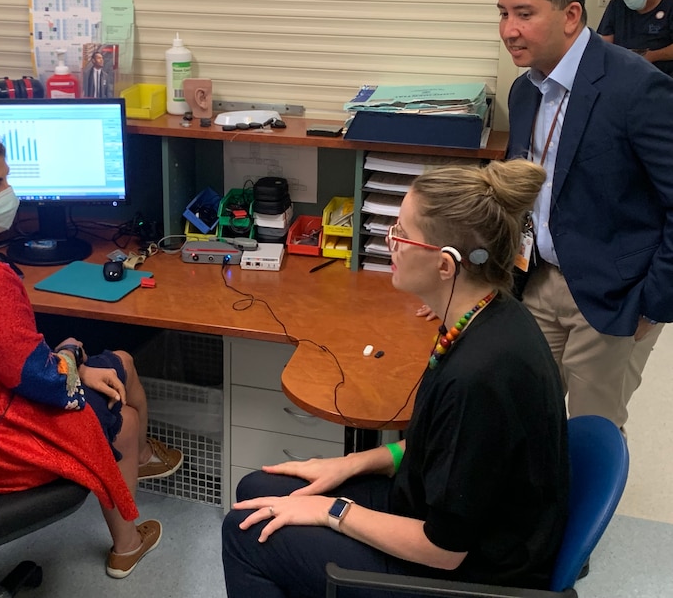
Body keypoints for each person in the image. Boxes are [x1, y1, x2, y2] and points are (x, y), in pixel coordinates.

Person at [222, 159, 569, 598]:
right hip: (433, 507)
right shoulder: (487, 313)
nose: (391, 244)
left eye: (401, 235)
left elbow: (445, 549)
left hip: (467, 573)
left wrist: (333, 510)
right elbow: (444, 445)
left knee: (246, 532)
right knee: (256, 490)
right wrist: (350, 463)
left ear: (446, 266)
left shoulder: (481, 377)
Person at [0, 118, 182, 579]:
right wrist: (72, 354)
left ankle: (141, 461)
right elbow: (40, 378)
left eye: (6, 178)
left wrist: (70, 362)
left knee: (122, 362)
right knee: (120, 413)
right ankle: (127, 542)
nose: (10, 193)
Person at [498, 0, 672, 430]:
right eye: (504, 13)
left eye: (525, 14)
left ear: (571, 15)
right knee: (530, 413)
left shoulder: (637, 88)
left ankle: (587, 507)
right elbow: (521, 190)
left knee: (592, 430)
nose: (509, 29)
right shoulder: (525, 89)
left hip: (613, 291)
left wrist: (653, 301)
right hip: (537, 281)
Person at [598, 0, 673, 77]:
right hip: (624, 73)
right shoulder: (616, 5)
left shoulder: (670, 5)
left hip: (663, 76)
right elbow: (606, 43)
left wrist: (652, 56)